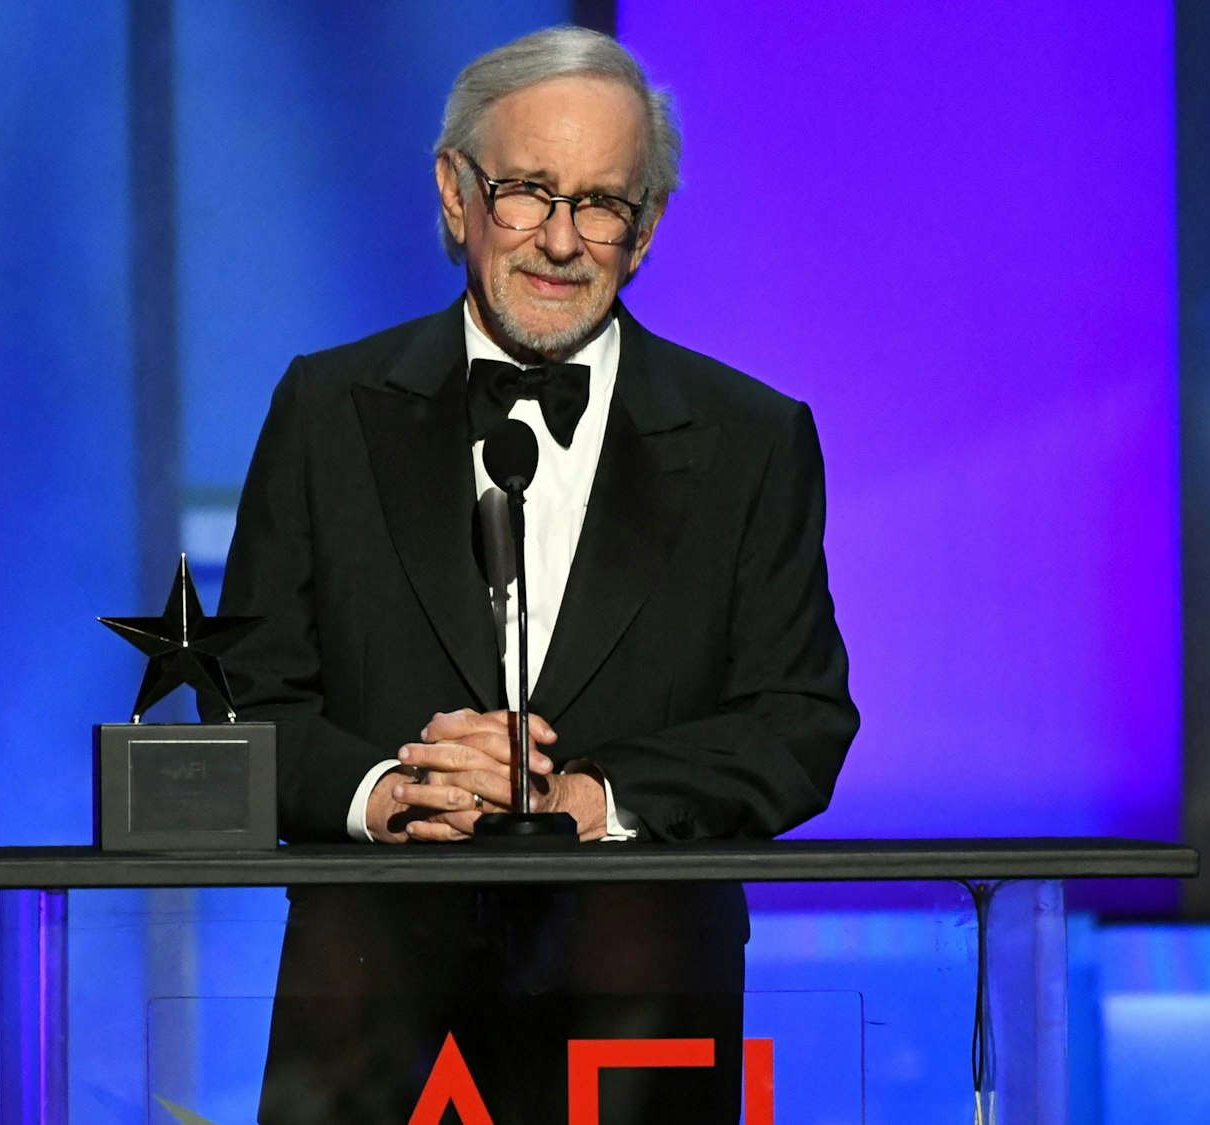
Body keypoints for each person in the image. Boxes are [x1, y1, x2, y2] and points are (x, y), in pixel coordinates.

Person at [209, 25, 857, 1125]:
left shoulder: (752, 439)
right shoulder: (326, 411)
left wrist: (584, 800)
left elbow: (795, 723)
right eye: (525, 192)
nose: (559, 239)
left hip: (636, 1014)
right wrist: (388, 791)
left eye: (600, 202)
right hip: (370, 1016)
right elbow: (250, 698)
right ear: (456, 195)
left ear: (644, 232)